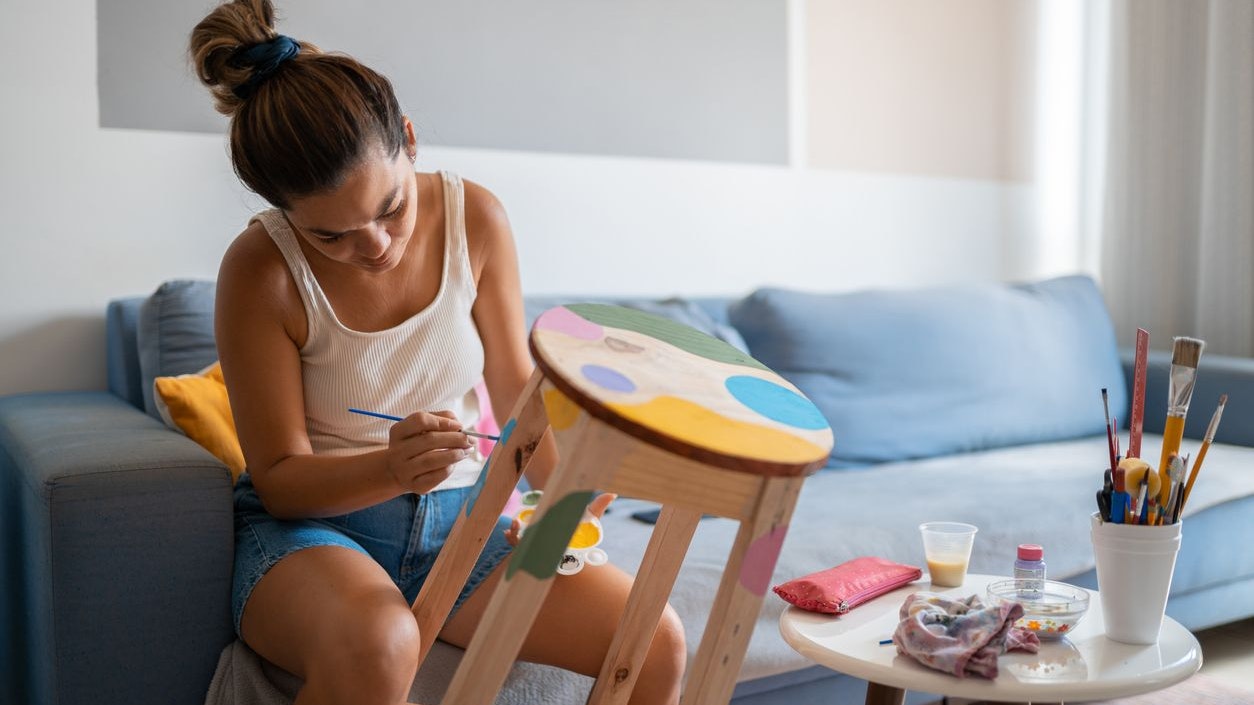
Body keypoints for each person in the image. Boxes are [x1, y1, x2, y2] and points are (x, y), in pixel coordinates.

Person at [189, 2, 686, 703]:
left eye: (390, 208)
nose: (376, 247)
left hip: (467, 526)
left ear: (411, 142)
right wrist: (391, 467)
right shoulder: (258, 270)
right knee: (380, 641)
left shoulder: (475, 218)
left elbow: (517, 386)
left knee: (654, 636)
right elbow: (279, 478)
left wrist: (566, 489)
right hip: (311, 533)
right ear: (284, 212)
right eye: (331, 236)